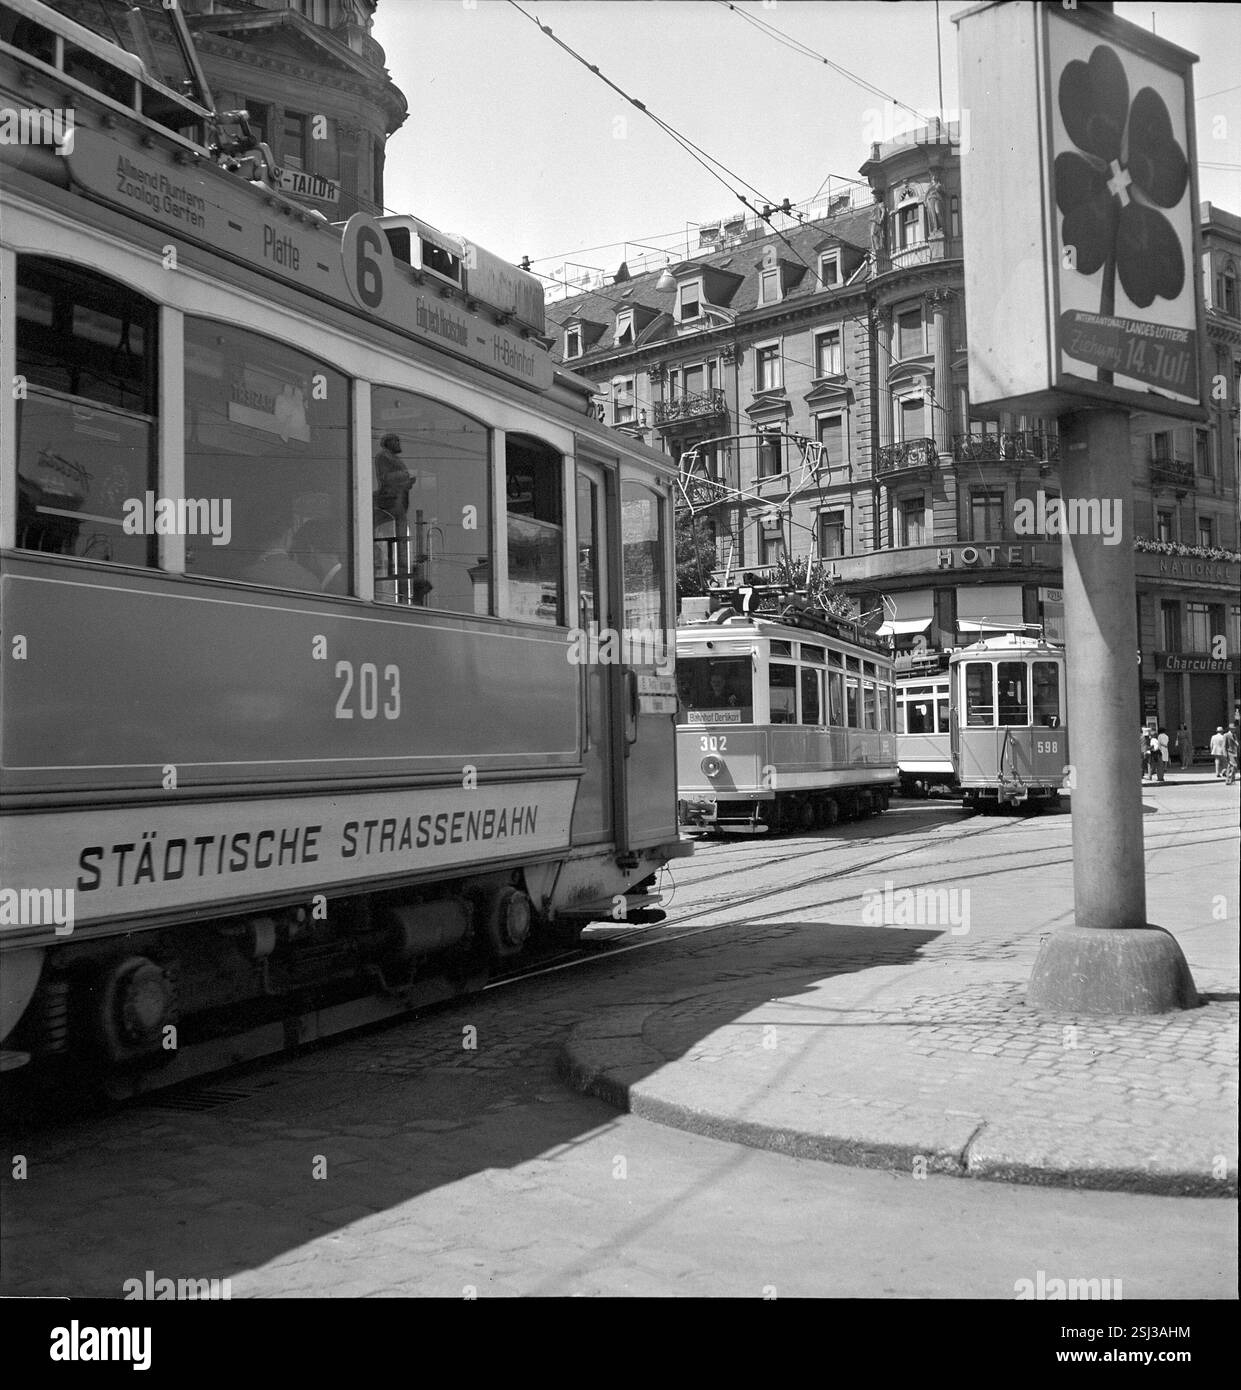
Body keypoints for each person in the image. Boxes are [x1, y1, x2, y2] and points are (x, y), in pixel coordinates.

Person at [373, 433, 414, 532]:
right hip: (390, 499)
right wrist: (403, 476)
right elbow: (386, 477)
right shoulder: (384, 456)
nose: (398, 444)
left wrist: (407, 482)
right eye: (396, 441)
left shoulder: (394, 458)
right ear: (389, 443)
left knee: (400, 524)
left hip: (399, 499)